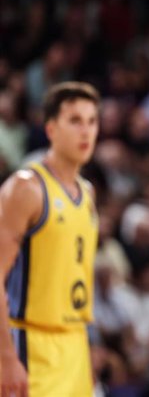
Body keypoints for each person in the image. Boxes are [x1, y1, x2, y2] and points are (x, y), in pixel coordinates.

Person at [0, 82, 100, 396]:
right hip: (31, 345)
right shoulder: (26, 188)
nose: (86, 131)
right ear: (51, 129)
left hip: (75, 345)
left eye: (92, 121)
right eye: (75, 121)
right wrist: (5, 358)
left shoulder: (87, 192)